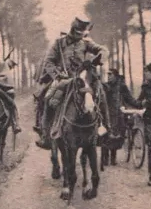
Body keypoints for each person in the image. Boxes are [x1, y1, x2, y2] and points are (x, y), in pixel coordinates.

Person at [35, 18, 111, 149]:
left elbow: (104, 50)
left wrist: (98, 59)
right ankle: (46, 135)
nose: (80, 36)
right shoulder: (59, 43)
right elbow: (48, 62)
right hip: (64, 80)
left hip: (82, 79)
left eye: (82, 33)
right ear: (72, 31)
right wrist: (57, 75)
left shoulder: (86, 43)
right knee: (47, 98)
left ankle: (105, 131)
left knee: (101, 94)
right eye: (77, 33)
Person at [102, 69, 137, 166]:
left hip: (117, 115)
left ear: (116, 76)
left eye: (110, 74)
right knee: (104, 135)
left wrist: (139, 105)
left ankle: (113, 158)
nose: (108, 76)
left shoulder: (122, 86)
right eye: (107, 74)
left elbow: (129, 99)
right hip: (106, 114)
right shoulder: (105, 86)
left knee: (116, 136)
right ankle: (105, 158)